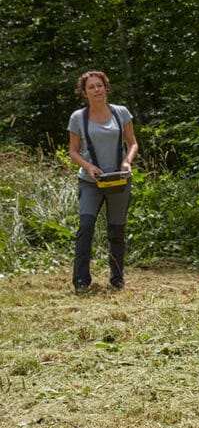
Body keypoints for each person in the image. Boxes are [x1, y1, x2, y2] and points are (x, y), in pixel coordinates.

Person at [67, 70, 139, 292]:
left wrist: (127, 162)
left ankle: (117, 279)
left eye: (100, 85)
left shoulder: (121, 113)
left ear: (106, 88)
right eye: (91, 87)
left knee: (116, 230)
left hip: (118, 181)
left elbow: (133, 143)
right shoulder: (78, 118)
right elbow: (73, 151)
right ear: (84, 92)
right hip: (91, 182)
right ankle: (81, 280)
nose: (96, 90)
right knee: (86, 227)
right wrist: (88, 167)